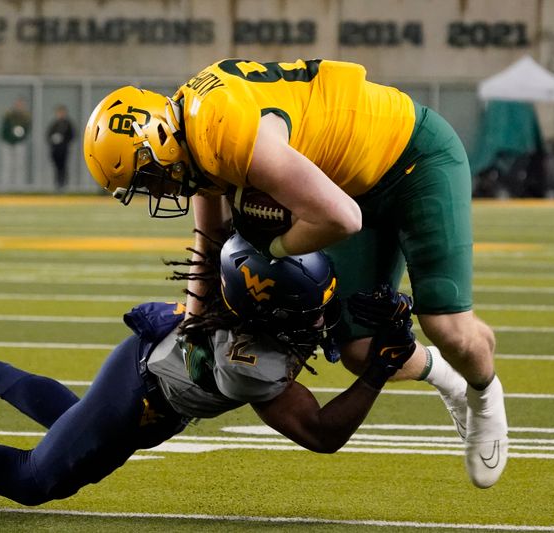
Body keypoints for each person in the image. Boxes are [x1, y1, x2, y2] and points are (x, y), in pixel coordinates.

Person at [83, 58, 508, 488]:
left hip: (412, 158)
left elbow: (342, 219)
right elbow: (210, 234)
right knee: (361, 351)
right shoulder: (191, 132)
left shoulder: (221, 133)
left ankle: (485, 394)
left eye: (151, 178)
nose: (157, 191)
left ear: (159, 140)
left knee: (447, 327)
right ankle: (450, 380)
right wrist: (193, 326)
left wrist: (271, 248)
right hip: (345, 182)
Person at [0, 233, 423, 504]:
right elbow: (320, 433)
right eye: (306, 310)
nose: (317, 319)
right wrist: (373, 373)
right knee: (36, 479)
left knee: (72, 421)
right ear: (266, 316)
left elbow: (297, 301)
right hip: (143, 393)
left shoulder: (248, 282)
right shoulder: (252, 363)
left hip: (148, 364)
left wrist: (384, 316)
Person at [0, 98, 32, 190]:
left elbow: (27, 130)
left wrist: (20, 138)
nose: (19, 106)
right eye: (18, 104)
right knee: (7, 165)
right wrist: (8, 139)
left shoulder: (26, 117)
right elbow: (4, 130)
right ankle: (5, 187)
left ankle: (19, 187)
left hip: (20, 143)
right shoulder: (9, 115)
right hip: (7, 143)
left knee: (20, 166)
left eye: (21, 104)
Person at [46, 105, 75, 191]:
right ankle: (57, 184)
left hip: (64, 149)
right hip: (55, 149)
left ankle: (64, 184)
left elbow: (72, 135)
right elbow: (48, 135)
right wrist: (54, 139)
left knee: (63, 167)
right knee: (57, 167)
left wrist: (64, 140)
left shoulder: (68, 124)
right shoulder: (54, 124)